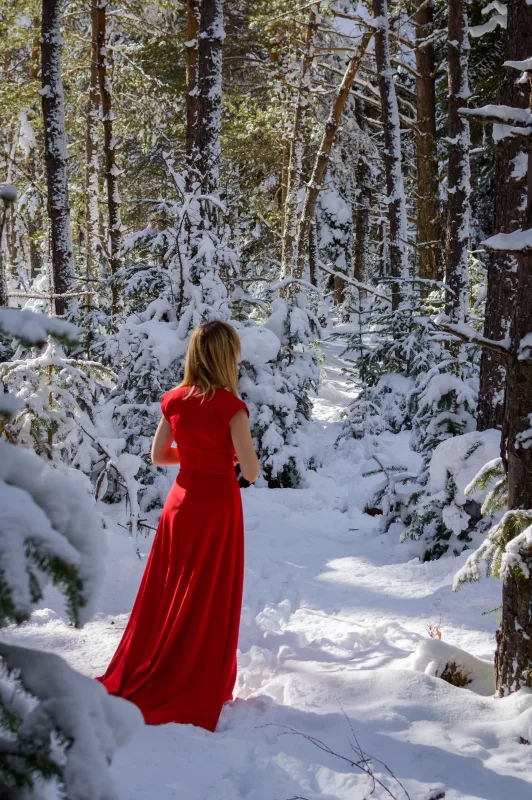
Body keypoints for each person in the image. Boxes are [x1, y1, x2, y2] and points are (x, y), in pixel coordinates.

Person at [97, 320, 260, 732]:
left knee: (170, 591)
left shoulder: (173, 400)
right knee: (209, 593)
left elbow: (158, 455)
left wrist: (194, 455)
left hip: (180, 505)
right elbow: (253, 472)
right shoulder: (231, 407)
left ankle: (156, 661)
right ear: (227, 358)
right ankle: (196, 678)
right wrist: (229, 459)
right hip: (217, 507)